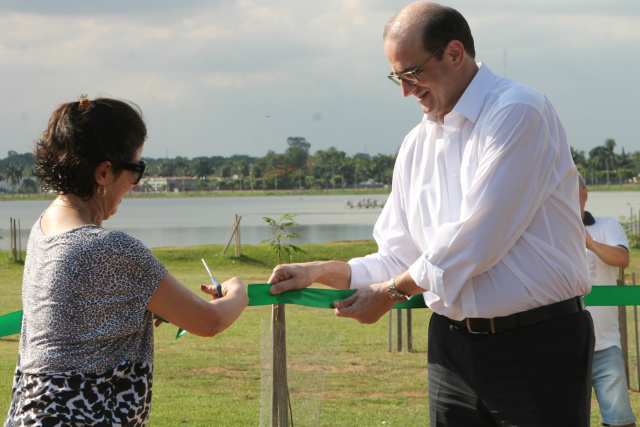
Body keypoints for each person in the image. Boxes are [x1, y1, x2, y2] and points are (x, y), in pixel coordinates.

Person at [268, 2, 594, 425]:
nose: (406, 90)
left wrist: (390, 294)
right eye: (396, 77)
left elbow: (477, 239)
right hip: (451, 350)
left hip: (538, 345)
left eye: (412, 73)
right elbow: (401, 256)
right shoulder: (415, 145)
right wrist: (323, 270)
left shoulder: (518, 112)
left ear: (455, 54)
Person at [3, 95, 248, 427]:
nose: (134, 184)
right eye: (137, 170)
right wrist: (238, 290)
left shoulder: (44, 229)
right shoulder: (112, 249)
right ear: (104, 172)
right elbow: (209, 321)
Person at [579, 174, 635, 427]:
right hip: (563, 345)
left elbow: (623, 260)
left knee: (620, 420)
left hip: (605, 345)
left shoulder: (606, 225)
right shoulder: (548, 231)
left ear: (585, 193)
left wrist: (589, 243)